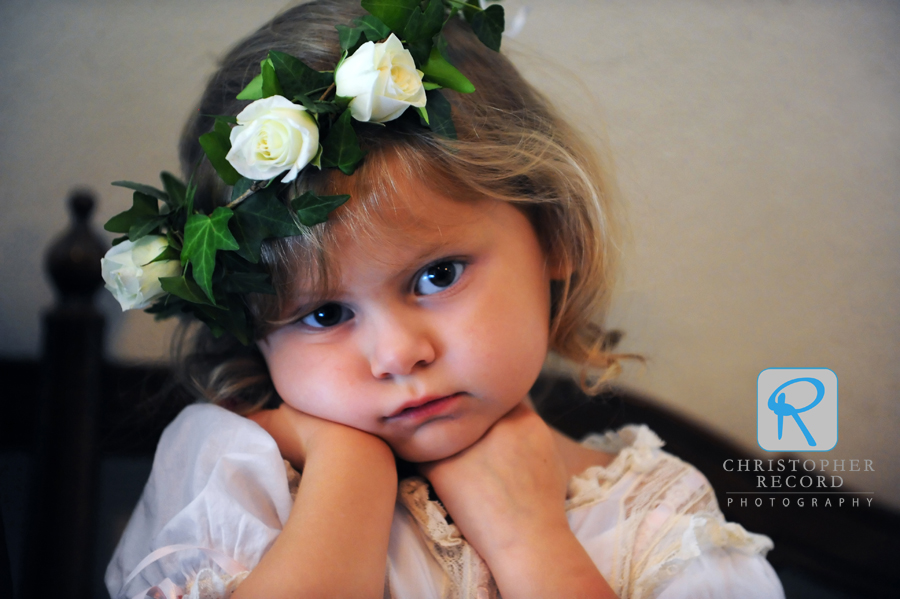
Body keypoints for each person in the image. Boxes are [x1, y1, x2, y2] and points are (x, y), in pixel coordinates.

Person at [102, 1, 785, 597]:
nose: (399, 354)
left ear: (553, 235)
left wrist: (531, 543)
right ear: (254, 330)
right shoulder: (233, 469)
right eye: (325, 314)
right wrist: (351, 474)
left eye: (437, 275)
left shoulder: (656, 516)